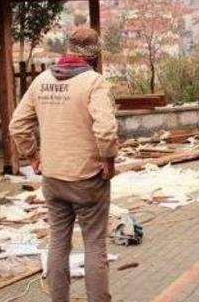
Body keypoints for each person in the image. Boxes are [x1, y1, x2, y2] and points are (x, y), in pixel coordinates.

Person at [9, 27, 119, 302]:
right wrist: (108, 160)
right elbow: (106, 131)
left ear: (68, 50)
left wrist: (33, 157)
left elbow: (17, 125)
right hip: (87, 178)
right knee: (95, 246)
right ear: (96, 54)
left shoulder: (42, 80)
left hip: (53, 178)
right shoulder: (94, 82)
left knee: (59, 243)